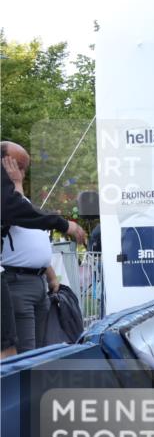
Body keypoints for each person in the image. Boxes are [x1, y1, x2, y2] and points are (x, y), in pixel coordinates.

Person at [1, 143, 86, 356]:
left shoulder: (18, 201)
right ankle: (22, 388)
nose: (20, 172)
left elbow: (32, 244)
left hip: (37, 283)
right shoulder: (12, 203)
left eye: (24, 169)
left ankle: (30, 386)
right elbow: (19, 211)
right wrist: (64, 224)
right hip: (18, 282)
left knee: (38, 348)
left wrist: (50, 276)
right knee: (23, 351)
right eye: (16, 165)